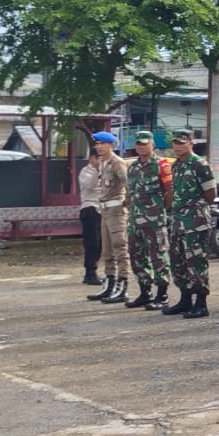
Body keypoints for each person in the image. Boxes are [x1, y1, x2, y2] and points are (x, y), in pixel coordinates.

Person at [161, 131, 216, 319]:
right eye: (175, 143)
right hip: (178, 221)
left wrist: (196, 209)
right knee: (178, 261)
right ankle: (185, 300)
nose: (177, 146)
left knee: (197, 262)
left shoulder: (199, 164)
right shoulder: (175, 166)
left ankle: (201, 303)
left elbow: (210, 193)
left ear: (191, 143)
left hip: (196, 221)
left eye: (182, 143)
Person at [123, 130, 173, 310]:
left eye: (145, 143)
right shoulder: (133, 167)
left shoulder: (161, 164)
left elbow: (169, 191)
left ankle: (162, 294)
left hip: (154, 220)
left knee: (158, 256)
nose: (142, 147)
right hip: (135, 220)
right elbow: (129, 192)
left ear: (152, 144)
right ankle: (145, 292)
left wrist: (161, 209)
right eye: (139, 144)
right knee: (136, 256)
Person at [86, 130, 129, 305]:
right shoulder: (103, 163)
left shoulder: (117, 163)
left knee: (120, 248)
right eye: (97, 144)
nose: (99, 147)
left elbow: (128, 185)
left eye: (102, 143)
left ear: (111, 145)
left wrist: (125, 204)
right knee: (107, 251)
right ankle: (109, 283)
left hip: (116, 211)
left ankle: (122, 285)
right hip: (104, 210)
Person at [77, 148, 104, 285]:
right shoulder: (86, 171)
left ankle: (95, 270)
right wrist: (98, 170)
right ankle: (89, 273)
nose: (100, 160)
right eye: (97, 157)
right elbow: (90, 186)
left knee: (101, 244)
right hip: (90, 208)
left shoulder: (106, 169)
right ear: (91, 158)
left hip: (103, 209)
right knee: (92, 243)